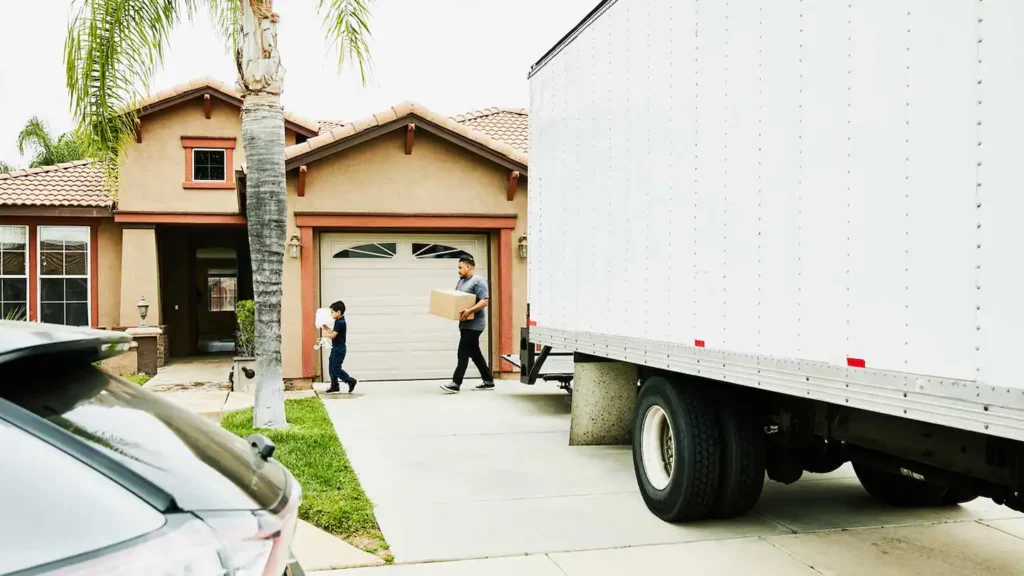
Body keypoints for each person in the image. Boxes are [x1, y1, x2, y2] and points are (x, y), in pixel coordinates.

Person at [439, 256, 495, 393]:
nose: (458, 270)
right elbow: (457, 299)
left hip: (475, 325)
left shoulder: (478, 281)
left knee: (462, 353)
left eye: (460, 267)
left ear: (468, 267)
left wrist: (470, 310)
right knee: (475, 353)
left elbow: (484, 301)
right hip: (464, 324)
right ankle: (488, 381)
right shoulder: (461, 281)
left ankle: (455, 383)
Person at [322, 300, 358, 393]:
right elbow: (334, 333)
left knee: (336, 368)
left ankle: (350, 381)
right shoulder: (338, 321)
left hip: (339, 349)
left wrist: (325, 335)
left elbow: (333, 336)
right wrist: (327, 329)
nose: (331, 314)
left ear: (339, 312)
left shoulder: (341, 322)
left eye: (332, 312)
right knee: (331, 367)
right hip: (336, 348)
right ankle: (334, 386)